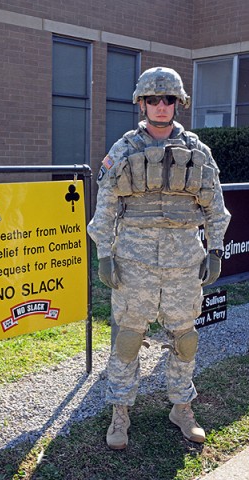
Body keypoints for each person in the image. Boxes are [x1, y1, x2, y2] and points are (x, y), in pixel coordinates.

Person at [87, 66, 231, 450]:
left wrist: (215, 250)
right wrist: (104, 253)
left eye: (169, 99)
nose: (161, 106)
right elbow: (105, 207)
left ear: (178, 103)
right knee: (129, 339)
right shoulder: (123, 150)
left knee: (185, 339)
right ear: (142, 102)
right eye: (154, 99)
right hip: (134, 261)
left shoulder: (198, 153)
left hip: (184, 262)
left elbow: (216, 209)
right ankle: (120, 411)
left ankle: (181, 407)